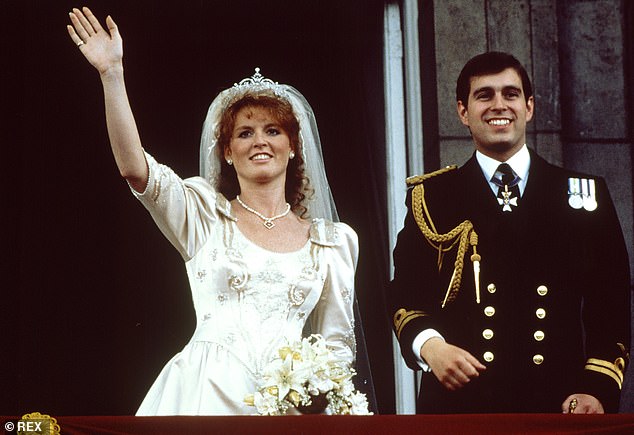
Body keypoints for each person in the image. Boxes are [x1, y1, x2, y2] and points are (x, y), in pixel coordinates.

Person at [67, 7, 359, 415]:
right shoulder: (202, 211)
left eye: (273, 131)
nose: (260, 141)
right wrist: (111, 73)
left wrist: (320, 406)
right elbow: (135, 170)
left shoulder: (333, 241)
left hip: (286, 412)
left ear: (293, 146)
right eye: (245, 132)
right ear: (227, 150)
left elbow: (336, 348)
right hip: (203, 396)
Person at [388, 51, 630, 414]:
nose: (498, 104)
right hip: (460, 405)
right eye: (484, 95)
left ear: (529, 107)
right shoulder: (433, 197)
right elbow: (405, 292)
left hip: (557, 403)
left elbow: (610, 303)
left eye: (510, 94)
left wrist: (597, 388)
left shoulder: (582, 195)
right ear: (463, 112)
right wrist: (431, 346)